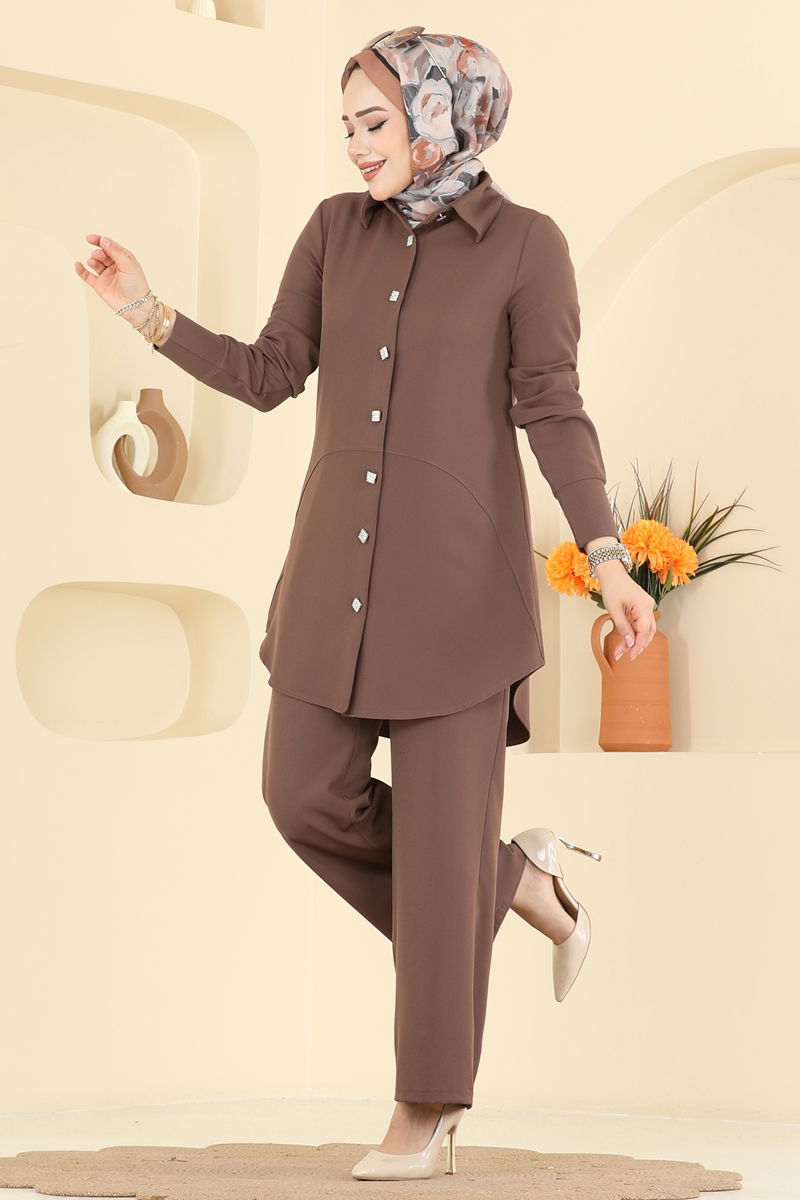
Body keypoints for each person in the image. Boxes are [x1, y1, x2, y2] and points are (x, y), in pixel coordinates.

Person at [74, 24, 656, 1182]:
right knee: (301, 796)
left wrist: (603, 553)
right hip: (332, 587)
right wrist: (145, 310)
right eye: (344, 124)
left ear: (442, 115)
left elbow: (551, 407)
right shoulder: (333, 230)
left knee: (439, 866)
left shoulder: (525, 247)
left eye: (373, 121)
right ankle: (517, 883)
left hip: (459, 601)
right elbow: (269, 373)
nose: (353, 143)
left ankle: (424, 1110)